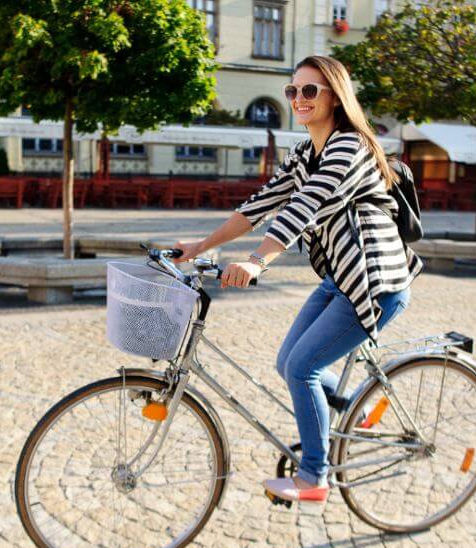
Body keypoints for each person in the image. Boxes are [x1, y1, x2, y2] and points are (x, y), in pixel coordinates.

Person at [174, 55, 422, 504]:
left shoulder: (351, 148)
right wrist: (201, 246)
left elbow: (305, 206)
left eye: (310, 90)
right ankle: (353, 409)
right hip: (339, 279)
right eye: (293, 91)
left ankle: (314, 477)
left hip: (374, 283)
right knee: (288, 363)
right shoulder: (305, 152)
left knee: (304, 368)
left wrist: (257, 261)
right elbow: (261, 203)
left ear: (335, 96)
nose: (298, 99)